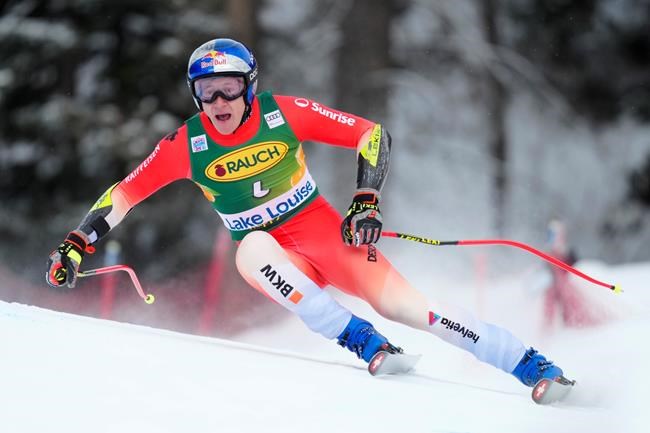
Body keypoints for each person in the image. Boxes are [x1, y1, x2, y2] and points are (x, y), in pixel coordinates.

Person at [46, 38, 566, 387]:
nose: (219, 102)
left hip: (323, 234)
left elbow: (371, 134)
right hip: (273, 257)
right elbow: (125, 193)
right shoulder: (187, 144)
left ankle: (529, 365)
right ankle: (359, 339)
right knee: (251, 248)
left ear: (249, 85)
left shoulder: (283, 113)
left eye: (229, 87)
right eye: (206, 92)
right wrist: (77, 242)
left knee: (410, 308)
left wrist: (365, 199)